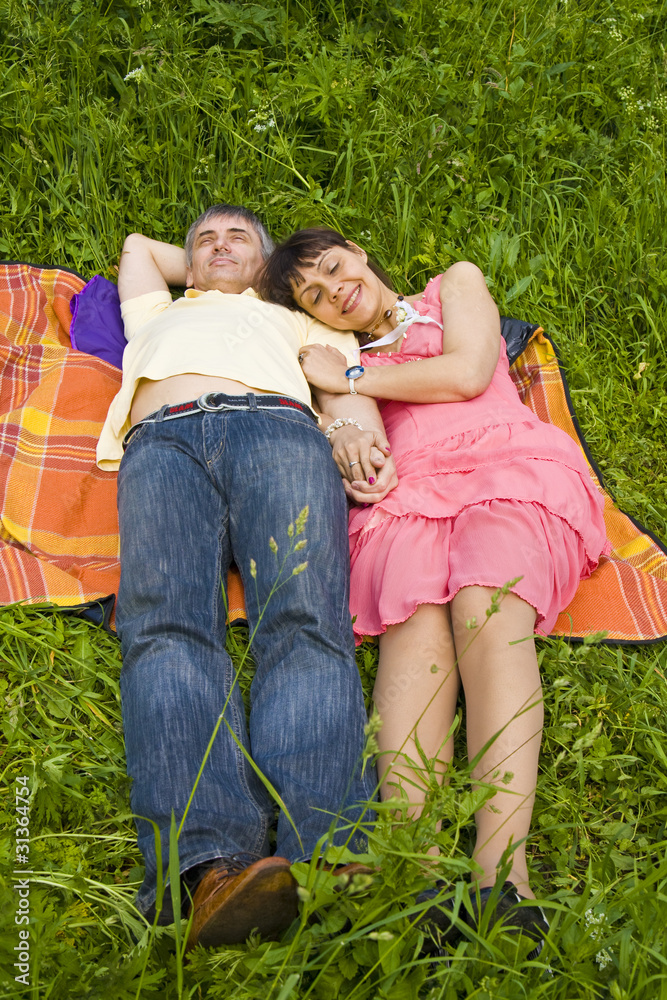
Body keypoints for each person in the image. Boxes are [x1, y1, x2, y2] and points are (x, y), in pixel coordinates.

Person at [257, 228, 610, 952]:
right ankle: (410, 876)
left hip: (508, 471)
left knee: (486, 603)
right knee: (413, 621)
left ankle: (501, 876)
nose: (334, 291)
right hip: (411, 494)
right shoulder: (333, 351)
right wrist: (355, 448)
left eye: (333, 268)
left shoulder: (453, 283)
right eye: (315, 295)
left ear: (356, 251)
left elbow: (466, 372)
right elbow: (351, 429)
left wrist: (350, 377)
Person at [96, 206, 396, 951]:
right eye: (204, 240)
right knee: (163, 630)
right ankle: (212, 869)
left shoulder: (288, 315)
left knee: (302, 620)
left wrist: (356, 432)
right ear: (186, 263)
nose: (218, 247)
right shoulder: (159, 312)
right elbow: (136, 247)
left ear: (265, 266)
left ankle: (329, 852)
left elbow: (344, 386)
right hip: (162, 442)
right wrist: (215, 260)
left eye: (239, 237)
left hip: (279, 431)